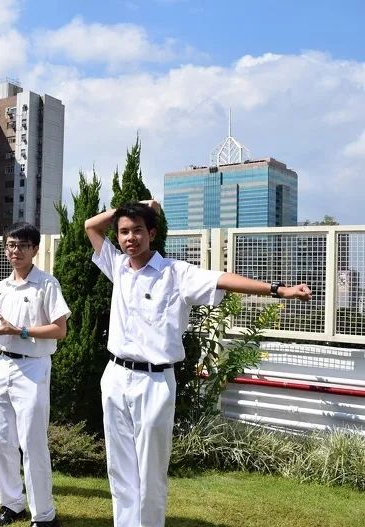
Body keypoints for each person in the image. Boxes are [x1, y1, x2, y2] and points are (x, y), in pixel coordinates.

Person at [84, 200, 312, 527]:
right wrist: (129, 207)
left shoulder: (176, 273)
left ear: (152, 233)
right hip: (115, 376)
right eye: (123, 231)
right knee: (119, 468)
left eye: (137, 230)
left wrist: (280, 290)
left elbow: (224, 279)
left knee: (150, 470)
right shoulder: (118, 267)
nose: (129, 237)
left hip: (154, 381)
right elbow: (91, 226)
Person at [0, 222, 70, 527]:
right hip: (3, 365)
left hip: (33, 366)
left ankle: (44, 514)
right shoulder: (2, 286)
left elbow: (60, 329)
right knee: (0, 438)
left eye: (23, 245)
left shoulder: (47, 284)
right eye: (11, 245)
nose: (16, 251)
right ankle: (11, 503)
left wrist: (19, 330)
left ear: (35, 249)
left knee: (33, 441)